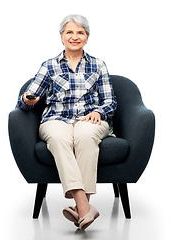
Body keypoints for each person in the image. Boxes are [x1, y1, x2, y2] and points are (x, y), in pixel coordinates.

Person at [17, 14, 117, 230]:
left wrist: (99, 111)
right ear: (61, 36)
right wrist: (27, 99)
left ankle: (80, 208)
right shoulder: (49, 65)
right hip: (56, 118)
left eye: (80, 32)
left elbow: (110, 100)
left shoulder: (98, 65)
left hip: (89, 118)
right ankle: (84, 206)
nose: (74, 37)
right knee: (59, 138)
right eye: (69, 32)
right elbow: (28, 99)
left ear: (87, 37)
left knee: (85, 136)